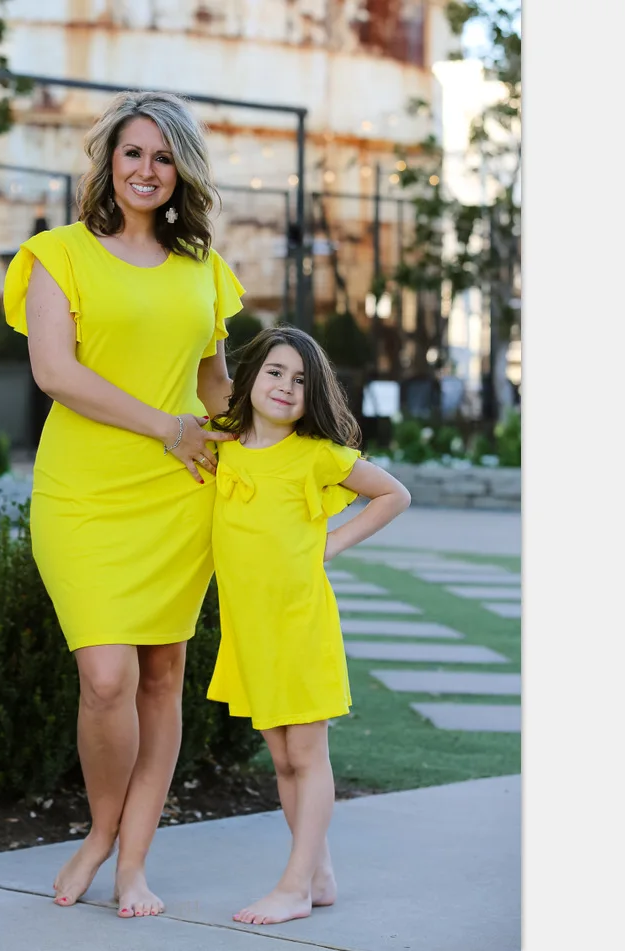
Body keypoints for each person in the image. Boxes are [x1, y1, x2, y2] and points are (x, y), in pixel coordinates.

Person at [1, 90, 245, 918]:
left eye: (165, 157)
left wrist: (265, 448)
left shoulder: (205, 268)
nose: (147, 169)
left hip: (179, 496)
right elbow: (55, 374)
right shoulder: (55, 254)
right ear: (110, 161)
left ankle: (133, 861)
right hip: (84, 492)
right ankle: (101, 831)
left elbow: (216, 387)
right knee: (106, 675)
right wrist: (165, 426)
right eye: (134, 152)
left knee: (161, 675)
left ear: (184, 173)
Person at [206, 326, 412, 925]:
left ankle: (295, 884)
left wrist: (329, 543)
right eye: (274, 371)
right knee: (281, 757)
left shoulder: (317, 454)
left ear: (313, 393)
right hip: (250, 627)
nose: (285, 386)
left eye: (300, 380)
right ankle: (318, 874)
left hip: (298, 620)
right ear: (251, 378)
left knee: (306, 752)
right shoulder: (224, 444)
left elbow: (393, 494)